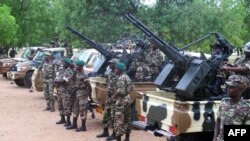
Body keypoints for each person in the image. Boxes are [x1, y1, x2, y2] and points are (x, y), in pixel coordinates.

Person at [213, 75, 250, 141]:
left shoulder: (246, 107)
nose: (228, 88)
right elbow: (218, 120)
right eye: (228, 86)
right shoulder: (224, 101)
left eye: (232, 87)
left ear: (241, 89)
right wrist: (215, 138)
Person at [96, 59, 119, 138]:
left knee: (114, 117)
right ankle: (105, 132)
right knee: (106, 115)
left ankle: (115, 134)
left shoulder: (119, 75)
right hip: (109, 97)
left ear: (115, 64)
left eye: (111, 63)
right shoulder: (110, 73)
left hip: (115, 98)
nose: (109, 65)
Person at [111, 63, 133, 141]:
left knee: (118, 120)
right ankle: (127, 138)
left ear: (119, 70)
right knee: (127, 119)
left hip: (121, 101)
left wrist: (115, 95)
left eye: (116, 69)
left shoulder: (121, 78)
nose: (115, 70)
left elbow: (121, 90)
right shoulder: (127, 77)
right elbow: (131, 88)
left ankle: (118, 139)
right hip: (127, 99)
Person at [70, 60, 90, 132]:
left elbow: (89, 86)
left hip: (83, 93)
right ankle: (74, 124)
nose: (76, 66)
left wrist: (89, 96)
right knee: (75, 108)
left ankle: (83, 126)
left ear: (80, 66)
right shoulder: (76, 73)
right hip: (77, 93)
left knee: (82, 110)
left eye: (77, 65)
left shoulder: (84, 75)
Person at [54, 58, 74, 127]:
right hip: (60, 90)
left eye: (64, 63)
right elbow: (57, 77)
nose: (62, 64)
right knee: (60, 104)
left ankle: (68, 121)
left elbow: (64, 81)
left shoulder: (69, 71)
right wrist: (56, 81)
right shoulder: (61, 70)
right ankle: (62, 119)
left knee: (66, 106)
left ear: (67, 64)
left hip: (66, 91)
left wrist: (55, 81)